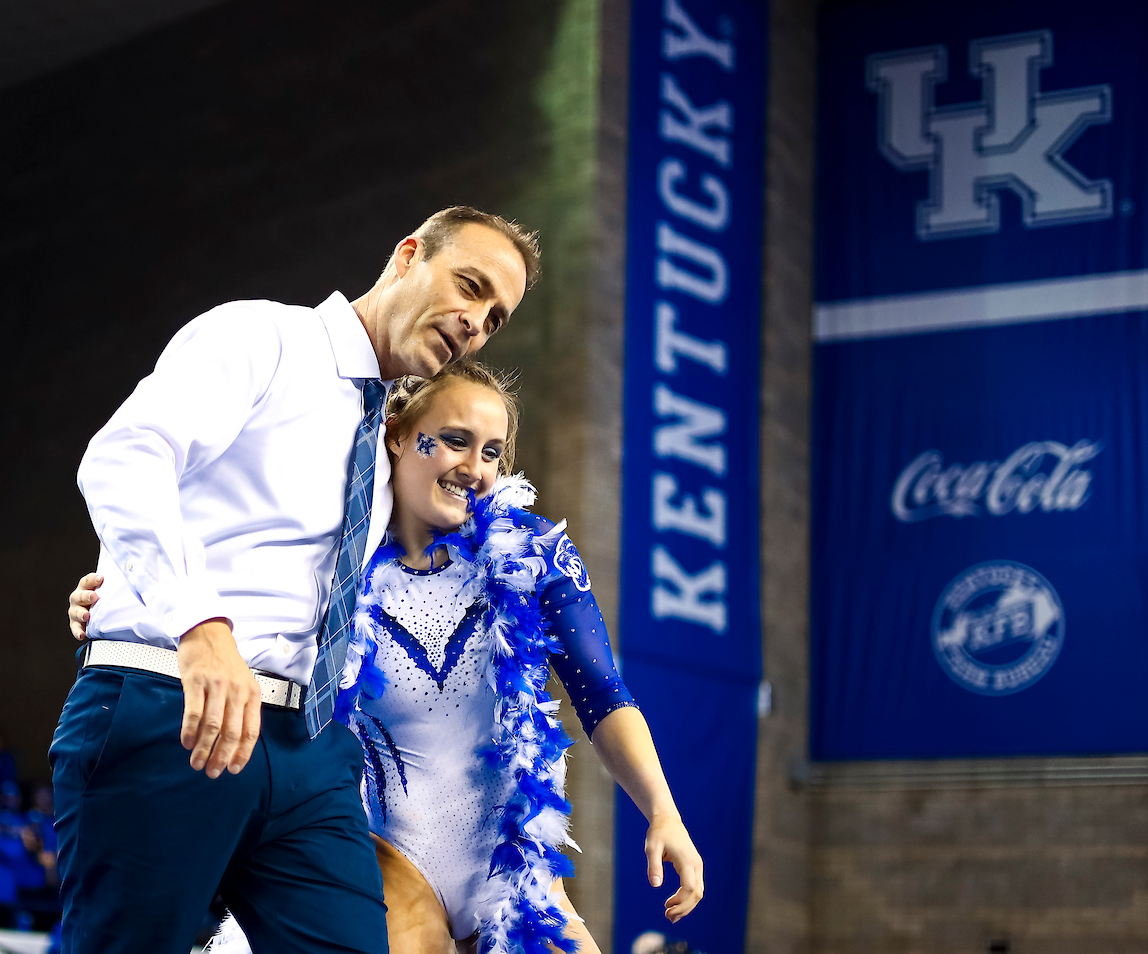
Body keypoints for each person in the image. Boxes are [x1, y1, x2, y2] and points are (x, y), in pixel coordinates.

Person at [74, 361, 705, 954]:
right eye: (454, 439)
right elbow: (214, 589)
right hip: (376, 868)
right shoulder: (325, 563)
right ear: (398, 435)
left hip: (514, 879)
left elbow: (603, 696)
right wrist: (116, 602)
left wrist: (663, 811)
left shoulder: (532, 559)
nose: (474, 467)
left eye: (492, 452)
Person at [57, 206, 538, 954]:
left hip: (308, 752)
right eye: (468, 286)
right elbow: (123, 459)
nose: (475, 321)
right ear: (408, 255)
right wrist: (192, 620)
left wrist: (120, 580)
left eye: (494, 316)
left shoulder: (385, 455)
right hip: (172, 713)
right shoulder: (263, 337)